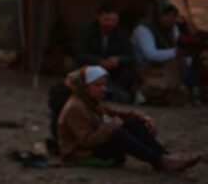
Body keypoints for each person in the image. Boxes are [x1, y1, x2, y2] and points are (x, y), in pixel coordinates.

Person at [57, 66, 200, 172]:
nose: (103, 88)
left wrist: (142, 118)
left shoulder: (90, 100)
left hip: (93, 145)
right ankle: (159, 160)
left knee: (132, 124)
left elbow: (114, 112)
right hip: (80, 153)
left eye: (103, 85)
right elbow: (85, 141)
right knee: (117, 133)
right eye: (97, 85)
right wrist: (109, 127)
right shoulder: (77, 107)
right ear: (85, 87)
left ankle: (165, 157)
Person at [131, 0, 191, 105]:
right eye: (166, 15)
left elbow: (180, 47)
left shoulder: (173, 28)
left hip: (166, 66)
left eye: (173, 16)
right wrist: (176, 52)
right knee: (159, 85)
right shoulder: (144, 29)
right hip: (145, 67)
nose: (170, 19)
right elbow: (150, 54)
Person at [73, 3, 135, 102]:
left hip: (113, 71)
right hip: (92, 67)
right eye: (107, 19)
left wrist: (118, 59)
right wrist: (99, 62)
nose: (110, 23)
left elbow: (130, 55)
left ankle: (114, 91)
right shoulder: (87, 32)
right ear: (99, 18)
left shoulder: (122, 34)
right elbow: (79, 54)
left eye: (113, 20)